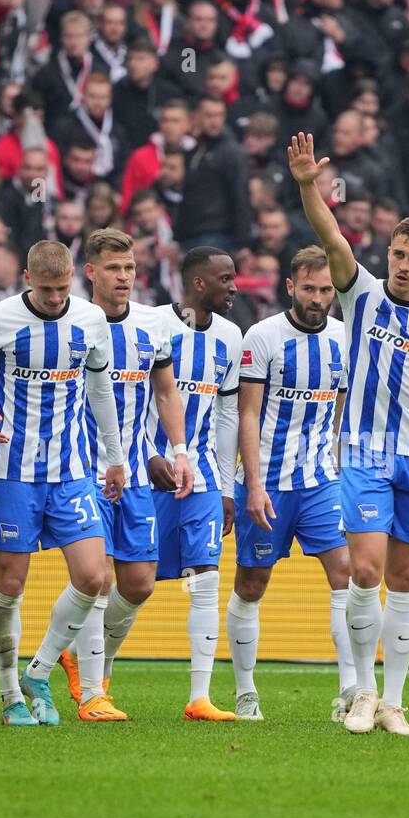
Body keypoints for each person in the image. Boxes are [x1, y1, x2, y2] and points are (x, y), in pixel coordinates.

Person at [289, 131, 409, 737]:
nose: (400, 265)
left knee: (405, 579)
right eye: (396, 253)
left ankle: (394, 701)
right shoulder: (361, 293)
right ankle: (363, 692)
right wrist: (306, 186)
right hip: (364, 453)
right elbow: (330, 236)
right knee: (363, 571)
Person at [0, 240, 128, 727]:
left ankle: (38, 672)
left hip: (73, 470)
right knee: (10, 585)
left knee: (93, 576)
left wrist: (115, 456)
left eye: (63, 290)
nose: (57, 299)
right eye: (47, 290)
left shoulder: (90, 320)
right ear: (27, 279)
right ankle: (10, 692)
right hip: (13, 473)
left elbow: (101, 388)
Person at [57, 228, 193, 720]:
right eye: (113, 268)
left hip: (136, 474)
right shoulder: (72, 322)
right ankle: (93, 693)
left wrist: (178, 450)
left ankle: (82, 655)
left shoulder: (153, 326)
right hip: (82, 471)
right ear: (90, 272)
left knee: (138, 584)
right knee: (97, 578)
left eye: (130, 268)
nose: (124, 277)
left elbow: (165, 391)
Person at [224, 245, 355, 722]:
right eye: (310, 288)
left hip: (321, 481)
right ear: (291, 288)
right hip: (268, 484)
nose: (318, 297)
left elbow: (338, 410)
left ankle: (351, 691)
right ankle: (245, 691)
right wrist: (253, 485)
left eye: (326, 290)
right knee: (252, 583)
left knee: (347, 577)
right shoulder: (263, 337)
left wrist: (338, 465)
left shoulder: (344, 338)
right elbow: (249, 413)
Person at [147, 245, 244, 720]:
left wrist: (226, 487)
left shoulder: (230, 336)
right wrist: (145, 457)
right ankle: (92, 676)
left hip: (202, 477)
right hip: (152, 474)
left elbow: (227, 415)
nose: (234, 287)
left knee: (205, 579)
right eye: (225, 279)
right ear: (198, 283)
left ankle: (199, 697)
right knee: (133, 584)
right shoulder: (153, 326)